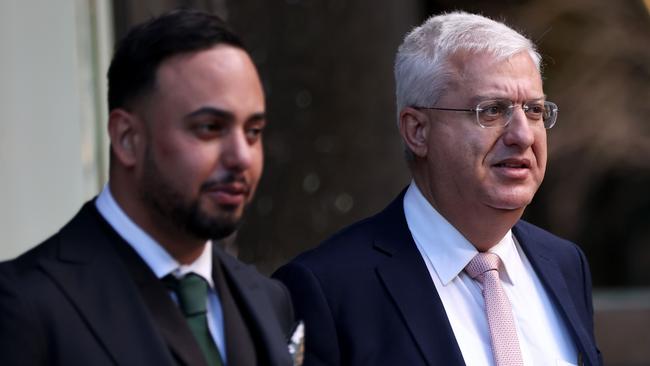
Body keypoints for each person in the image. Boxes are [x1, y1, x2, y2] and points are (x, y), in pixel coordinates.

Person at [274, 11, 602, 366]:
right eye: (492, 110)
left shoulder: (566, 264)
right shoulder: (325, 289)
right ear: (417, 131)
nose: (522, 134)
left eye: (534, 110)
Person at [0, 9, 296, 366]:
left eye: (253, 132)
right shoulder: (26, 305)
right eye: (209, 128)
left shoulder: (268, 299)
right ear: (127, 139)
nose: (241, 157)